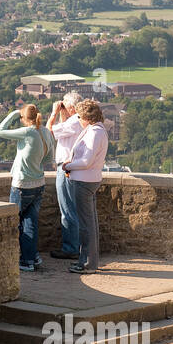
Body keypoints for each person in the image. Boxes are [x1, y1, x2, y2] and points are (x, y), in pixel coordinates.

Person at [0, 103, 56, 272]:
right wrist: (34, 163)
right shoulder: (45, 132)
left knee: (15, 222)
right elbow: (49, 158)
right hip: (39, 184)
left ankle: (25, 260)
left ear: (24, 118)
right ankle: (32, 257)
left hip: (22, 185)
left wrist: (14, 113)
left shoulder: (28, 132)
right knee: (31, 222)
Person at [59, 99, 108, 273]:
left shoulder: (95, 132)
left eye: (80, 115)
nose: (78, 118)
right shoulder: (97, 130)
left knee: (86, 225)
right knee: (90, 223)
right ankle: (89, 261)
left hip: (84, 181)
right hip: (88, 179)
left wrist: (67, 166)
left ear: (87, 116)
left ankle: (87, 264)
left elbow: (86, 161)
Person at [48, 91, 84, 260]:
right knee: (74, 209)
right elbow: (63, 134)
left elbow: (49, 133)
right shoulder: (78, 121)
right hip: (75, 168)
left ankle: (70, 248)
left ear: (71, 107)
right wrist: (63, 114)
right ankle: (77, 246)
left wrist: (54, 113)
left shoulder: (74, 122)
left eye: (64, 105)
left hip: (66, 168)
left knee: (67, 209)